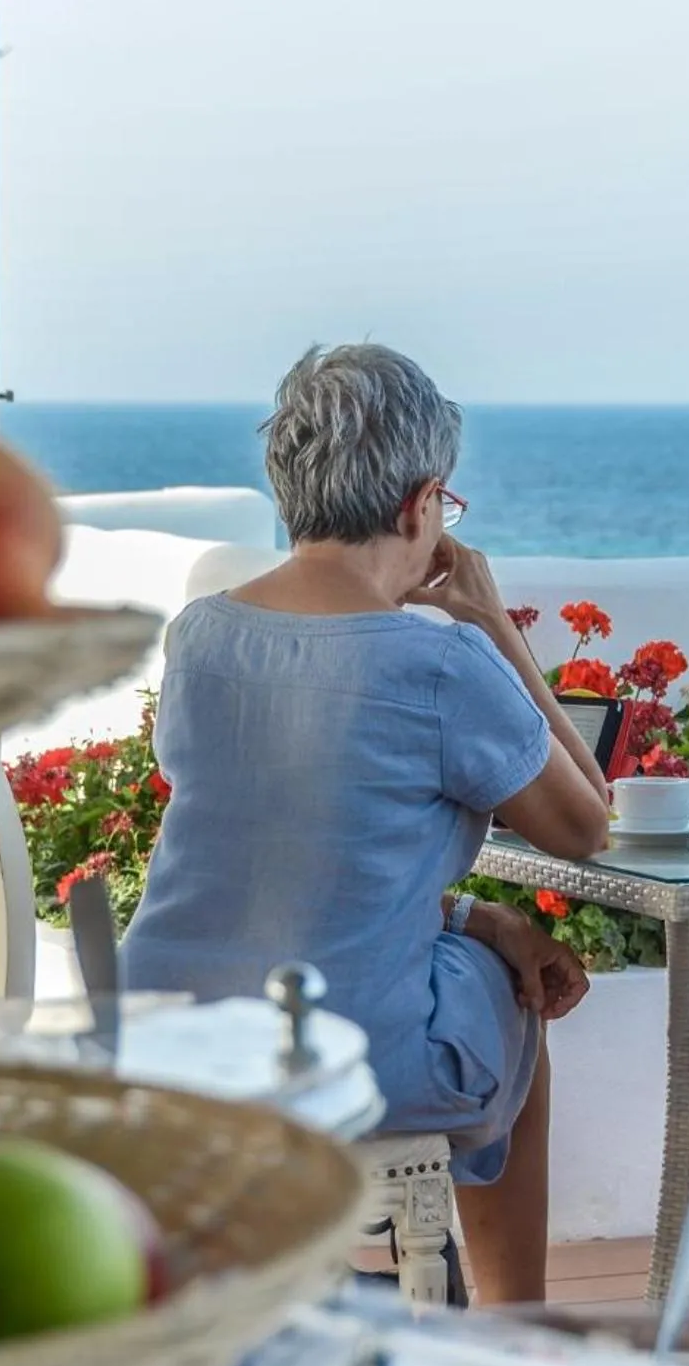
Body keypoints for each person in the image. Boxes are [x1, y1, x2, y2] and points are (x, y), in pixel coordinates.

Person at [119, 343, 612, 1304]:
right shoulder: (435, 664)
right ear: (421, 504)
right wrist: (491, 625)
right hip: (342, 1055)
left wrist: (486, 919)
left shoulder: (201, 635)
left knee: (495, 950)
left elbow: (292, 862)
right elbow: (585, 823)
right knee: (517, 998)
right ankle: (518, 1328)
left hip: (171, 1046)